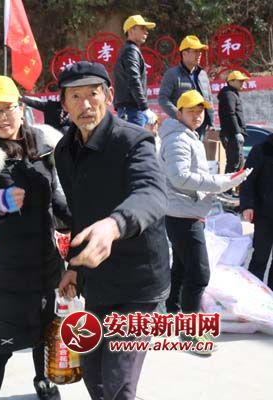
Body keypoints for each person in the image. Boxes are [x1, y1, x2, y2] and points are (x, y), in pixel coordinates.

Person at [54, 61, 170, 400]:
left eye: (93, 94)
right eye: (75, 97)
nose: (85, 105)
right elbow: (80, 214)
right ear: (64, 104)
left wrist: (114, 225)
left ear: (109, 96)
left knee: (118, 382)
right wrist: (74, 266)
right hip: (98, 280)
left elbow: (151, 193)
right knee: (94, 376)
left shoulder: (133, 141)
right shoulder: (64, 151)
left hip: (139, 284)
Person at [0, 75, 72, 400]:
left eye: (8, 108)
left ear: (21, 108)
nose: (2, 117)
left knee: (44, 335)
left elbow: (56, 200)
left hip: (44, 265)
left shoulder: (43, 147)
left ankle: (43, 381)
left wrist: (81, 220)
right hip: (3, 275)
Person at [159, 90, 249, 353]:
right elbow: (180, 177)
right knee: (199, 274)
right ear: (179, 113)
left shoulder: (188, 135)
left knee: (183, 268)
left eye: (200, 111)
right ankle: (190, 331)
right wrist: (221, 182)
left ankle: (173, 314)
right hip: (182, 214)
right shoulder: (178, 138)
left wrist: (225, 188)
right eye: (191, 111)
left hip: (186, 212)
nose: (198, 115)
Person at [159, 35, 215, 139]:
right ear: (184, 53)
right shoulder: (172, 74)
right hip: (181, 126)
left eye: (200, 51)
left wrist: (211, 121)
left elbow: (209, 98)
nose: (199, 54)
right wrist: (179, 116)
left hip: (200, 125)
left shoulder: (203, 74)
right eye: (195, 51)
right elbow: (163, 99)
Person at [240, 132, 273, 291]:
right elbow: (247, 180)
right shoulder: (262, 150)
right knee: (260, 257)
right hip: (264, 214)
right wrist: (247, 205)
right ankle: (253, 294)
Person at [113, 14, 157, 127]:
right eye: (142, 28)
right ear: (131, 30)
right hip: (131, 110)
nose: (146, 32)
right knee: (135, 138)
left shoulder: (129, 50)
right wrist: (144, 107)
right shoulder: (131, 51)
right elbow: (133, 80)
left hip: (130, 109)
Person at [218, 70, 250, 178]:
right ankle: (227, 187)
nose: (242, 83)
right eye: (240, 81)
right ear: (231, 81)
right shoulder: (229, 94)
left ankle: (231, 187)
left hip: (233, 134)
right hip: (231, 135)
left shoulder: (231, 94)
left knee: (238, 163)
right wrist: (237, 132)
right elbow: (230, 114)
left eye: (243, 81)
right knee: (234, 163)